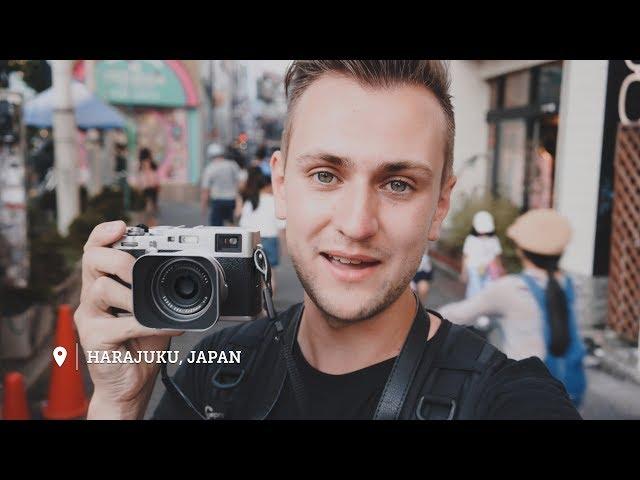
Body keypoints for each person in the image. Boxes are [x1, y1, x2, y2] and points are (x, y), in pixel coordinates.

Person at [75, 60, 581, 420]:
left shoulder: (505, 399)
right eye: (325, 175)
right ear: (280, 187)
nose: (358, 224)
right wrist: (118, 404)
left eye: (398, 184)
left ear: (440, 207)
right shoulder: (218, 371)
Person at [439, 209, 587, 407]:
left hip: (527, 395)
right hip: (572, 390)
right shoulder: (573, 285)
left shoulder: (510, 289)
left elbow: (455, 315)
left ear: (520, 250)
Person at [238, 164, 283, 294]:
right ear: (267, 186)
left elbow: (243, 224)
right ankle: (269, 306)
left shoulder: (251, 202)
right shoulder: (274, 201)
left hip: (254, 240)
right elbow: (281, 225)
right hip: (270, 239)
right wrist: (283, 246)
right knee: (271, 275)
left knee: (257, 274)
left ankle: (260, 307)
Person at [461, 210, 504, 299]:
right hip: (474, 268)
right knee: (474, 290)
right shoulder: (471, 239)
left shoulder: (494, 240)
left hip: (489, 269)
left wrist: (500, 269)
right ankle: (474, 309)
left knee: (488, 291)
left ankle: (484, 310)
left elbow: (497, 256)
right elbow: (466, 256)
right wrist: (464, 272)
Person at [200, 142, 241, 226]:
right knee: (232, 226)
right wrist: (239, 200)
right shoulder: (232, 165)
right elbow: (239, 183)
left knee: (216, 228)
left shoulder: (210, 168)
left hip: (217, 200)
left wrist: (203, 205)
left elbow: (205, 190)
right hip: (231, 199)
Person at [135, 148, 160, 227]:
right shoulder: (149, 165)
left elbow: (142, 178)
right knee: (150, 209)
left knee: (148, 209)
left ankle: (150, 225)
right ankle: (151, 225)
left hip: (148, 188)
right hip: (150, 188)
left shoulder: (143, 165)